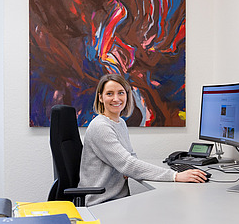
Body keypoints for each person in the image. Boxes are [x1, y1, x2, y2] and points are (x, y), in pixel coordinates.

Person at [78, 74, 207, 206]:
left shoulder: (120, 123)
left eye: (121, 93)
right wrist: (175, 176)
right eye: (109, 93)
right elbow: (127, 164)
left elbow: (130, 157)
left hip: (118, 199)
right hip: (102, 202)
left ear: (127, 95)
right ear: (100, 97)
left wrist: (129, 168)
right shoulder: (100, 127)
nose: (116, 98)